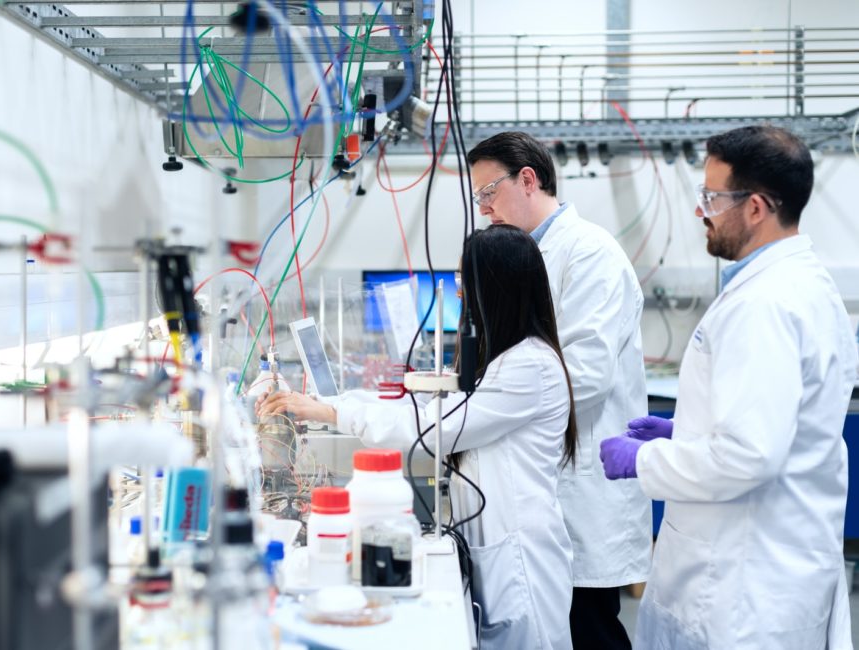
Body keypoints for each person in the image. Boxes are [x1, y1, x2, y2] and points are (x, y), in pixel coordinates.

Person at [599, 125, 858, 649]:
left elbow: (748, 456)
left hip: (743, 587)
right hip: (766, 564)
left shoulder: (764, 305)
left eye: (711, 197)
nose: (701, 211)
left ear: (757, 207)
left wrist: (643, 461)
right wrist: (686, 430)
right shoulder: (801, 284)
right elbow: (781, 420)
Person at [259, 225, 578, 649]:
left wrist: (333, 411)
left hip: (520, 559)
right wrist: (333, 403)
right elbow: (430, 414)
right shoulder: (508, 359)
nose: (460, 296)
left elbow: (430, 430)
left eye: (466, 284)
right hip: (499, 546)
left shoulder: (528, 367)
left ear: (496, 290)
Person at [467, 131, 651, 649]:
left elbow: (586, 376)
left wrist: (489, 409)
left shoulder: (590, 253)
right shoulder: (530, 254)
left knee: (589, 629)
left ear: (528, 179)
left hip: (582, 483)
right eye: (477, 197)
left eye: (488, 192)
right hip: (546, 482)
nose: (483, 210)